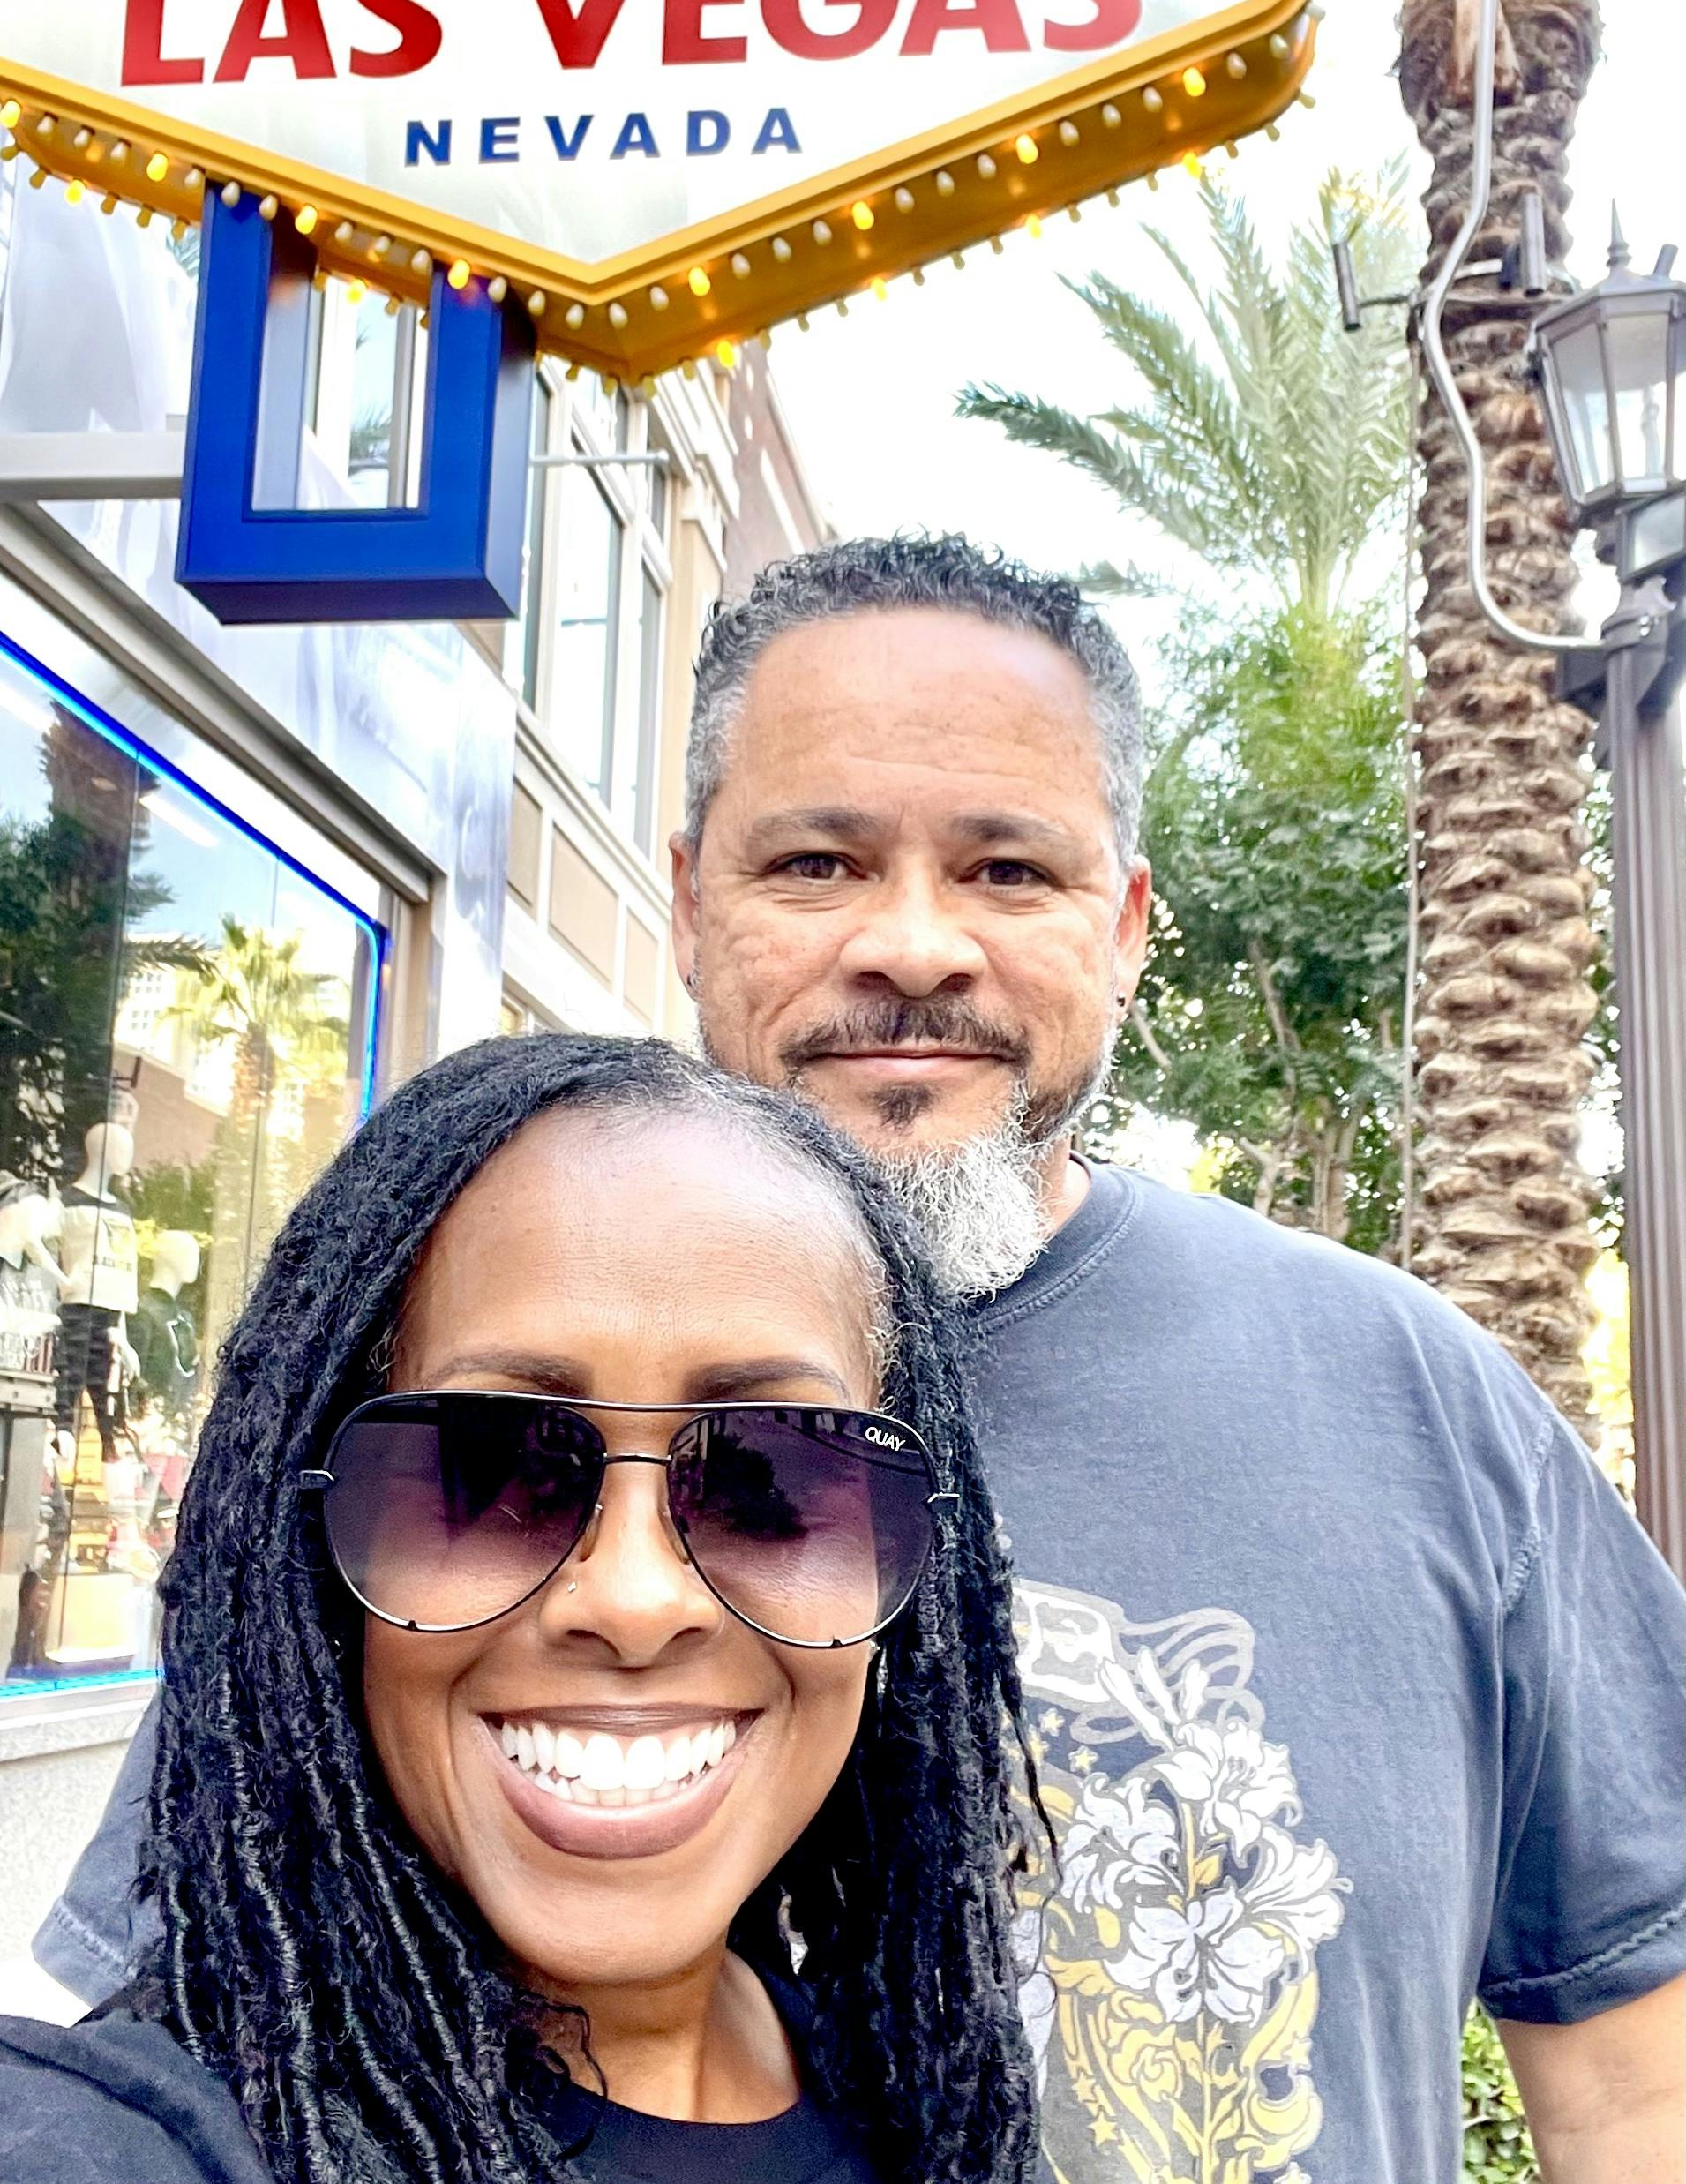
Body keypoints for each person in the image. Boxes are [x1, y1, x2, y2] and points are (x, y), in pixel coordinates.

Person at [39, 536, 1686, 2184]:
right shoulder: (421, 1387)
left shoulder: (1420, 1400)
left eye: (1007, 872)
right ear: (690, 903)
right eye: (818, 863)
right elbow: (211, 1992)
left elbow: (1641, 2072)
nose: (914, 945)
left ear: (1123, 929)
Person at [3, 1034, 1040, 2184]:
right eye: (494, 1473)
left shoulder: (931, 2108)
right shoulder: (143, 2133)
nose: (638, 1601)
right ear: (314, 1542)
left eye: (766, 1479)